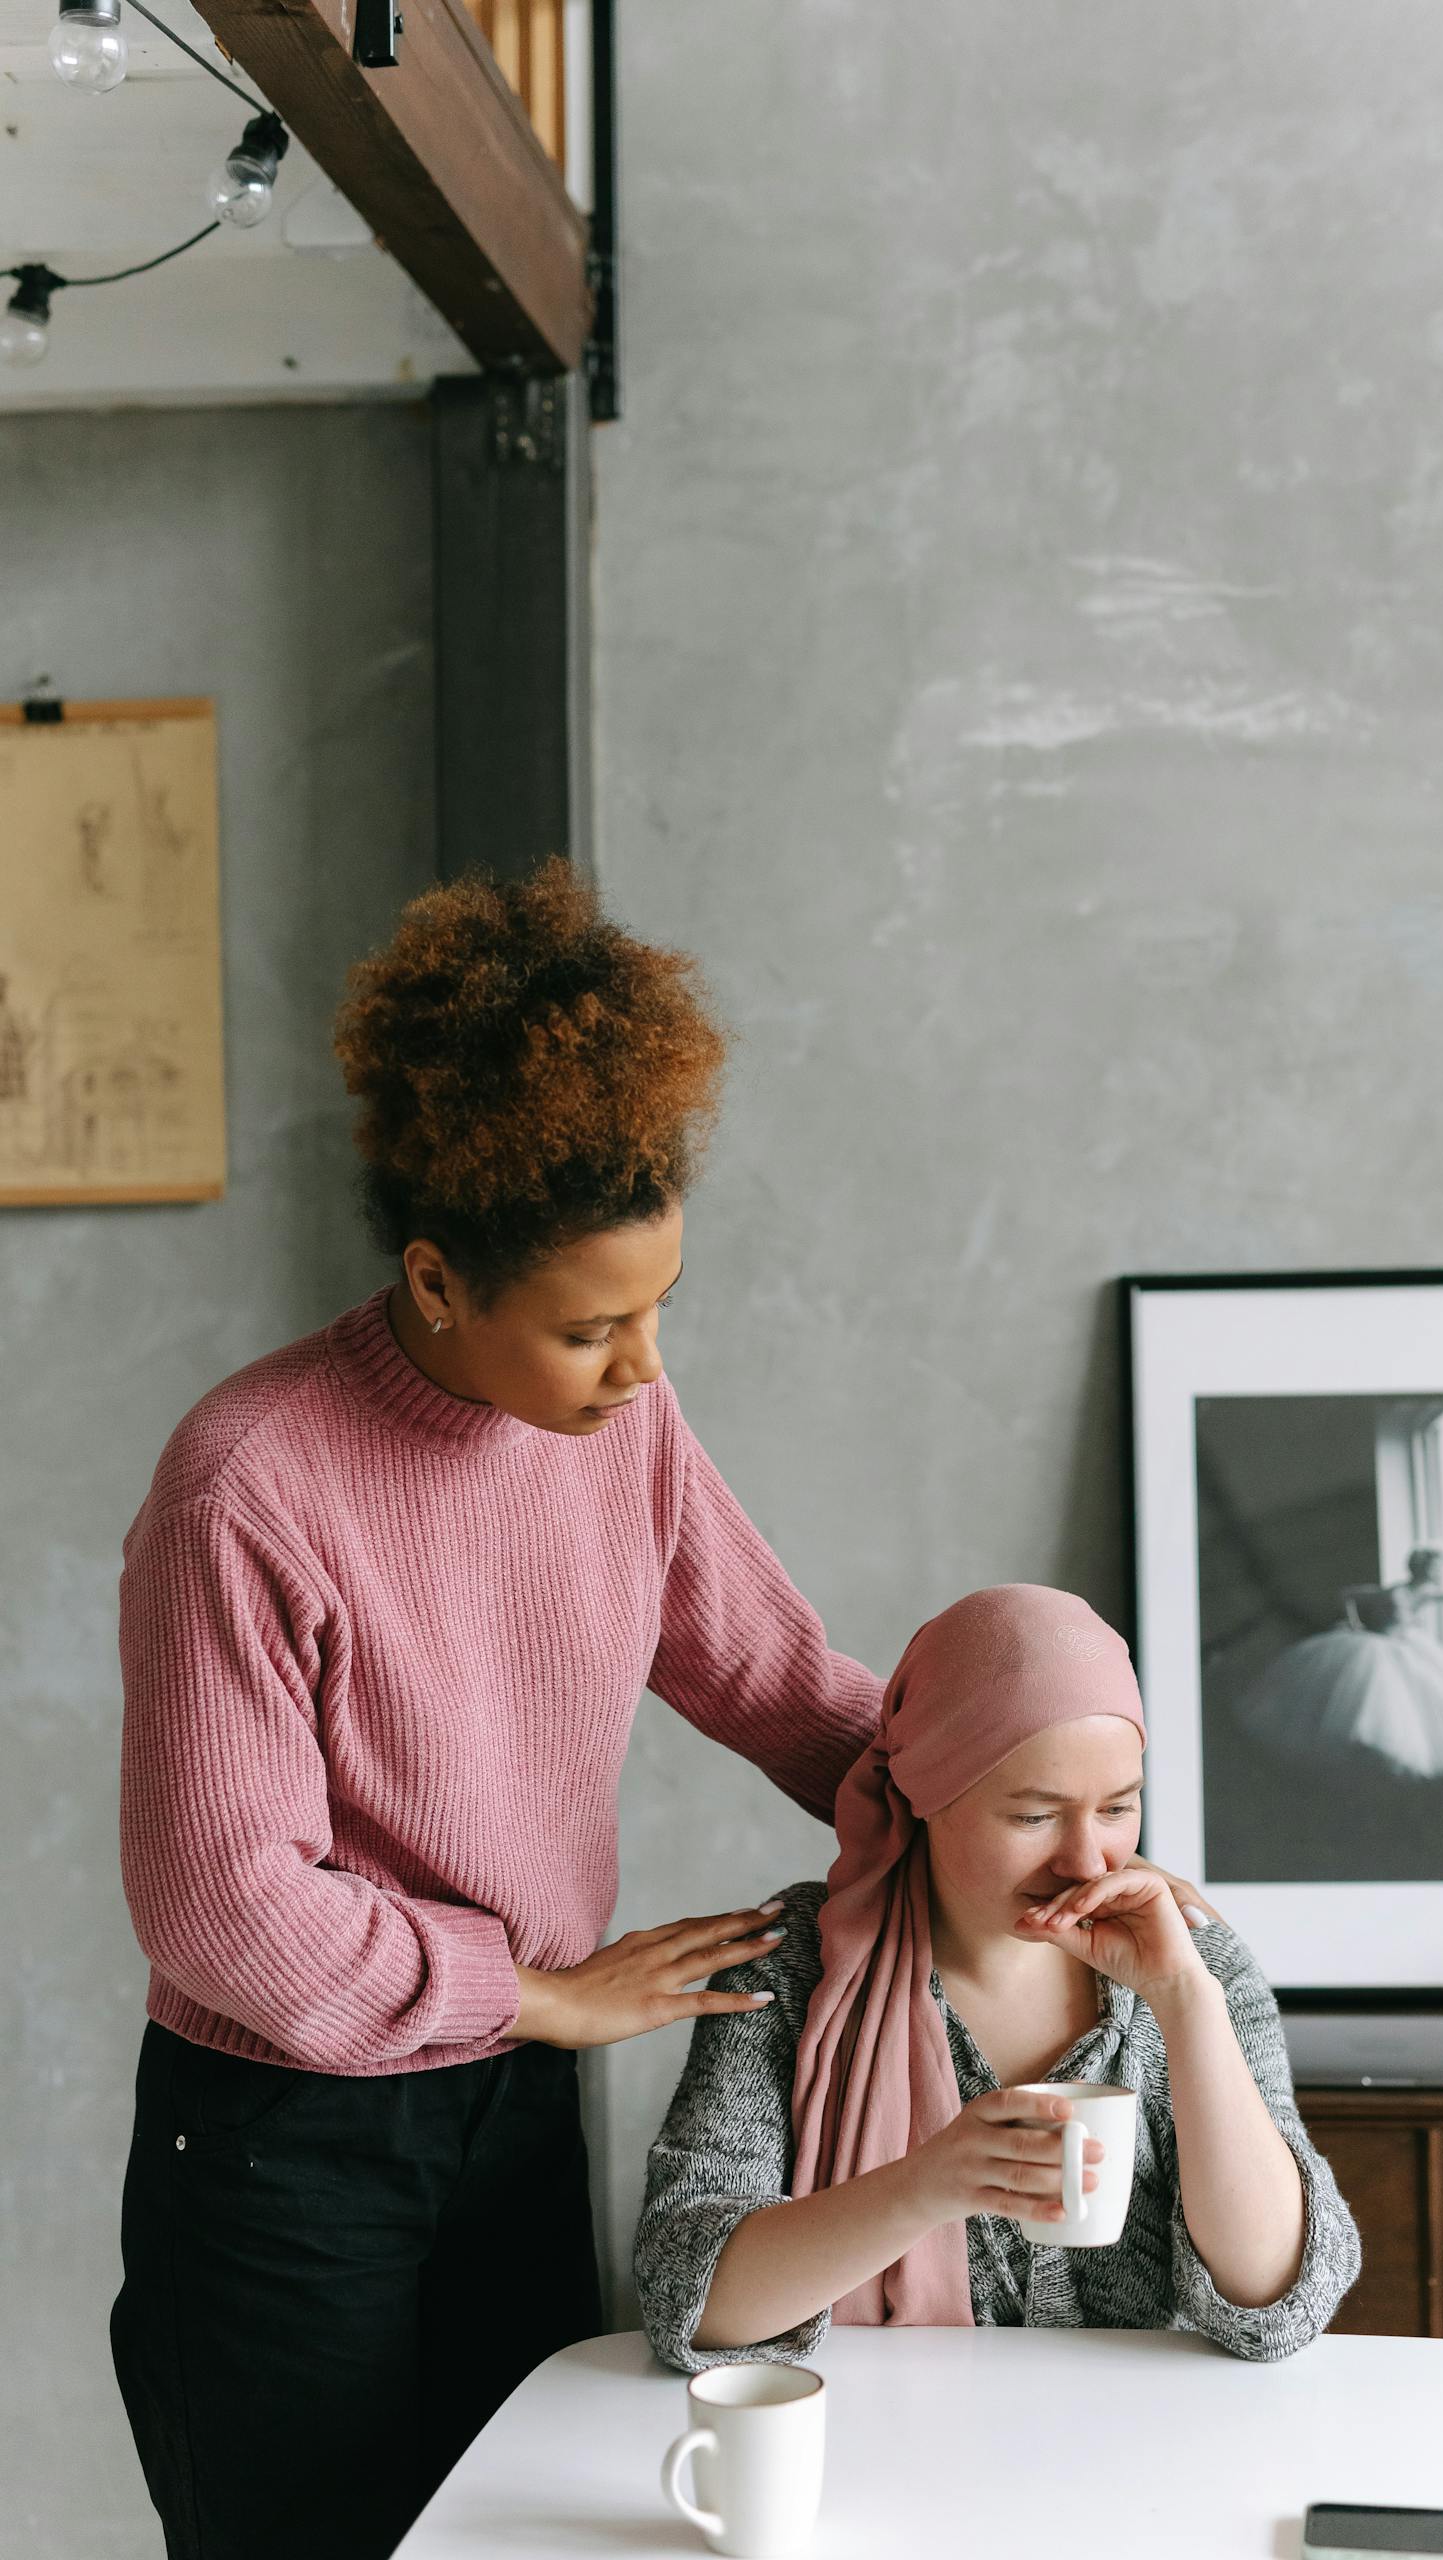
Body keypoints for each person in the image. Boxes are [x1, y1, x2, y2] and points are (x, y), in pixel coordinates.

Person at [108, 861, 883, 2560]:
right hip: (281, 2150)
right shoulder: (248, 1483)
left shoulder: (626, 1436)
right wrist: (533, 1992)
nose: (644, 1369)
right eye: (592, 1328)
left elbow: (784, 1686)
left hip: (510, 2116)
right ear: (439, 1279)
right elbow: (219, 1905)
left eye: (660, 1307)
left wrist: (1010, 1803)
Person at [635, 1584, 1359, 2366]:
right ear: (924, 1795)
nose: (1086, 1861)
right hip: (873, 2451)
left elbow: (1277, 2308)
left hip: (1142, 2453)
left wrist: (1184, 2000)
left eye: (1117, 1809)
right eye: (1034, 1816)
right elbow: (686, 2301)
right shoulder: (793, 1965)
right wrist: (922, 2187)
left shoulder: (1194, 1957)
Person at [1236, 1539, 1443, 1782]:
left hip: (1403, 1649)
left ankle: (1367, 1775)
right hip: (1376, 1648)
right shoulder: (1394, 1591)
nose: (1438, 1572)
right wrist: (1355, 1623)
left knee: (1400, 1709)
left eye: (1438, 1567)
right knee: (1365, 1711)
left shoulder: (1425, 1594)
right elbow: (1347, 1594)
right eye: (1434, 1566)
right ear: (1420, 1568)